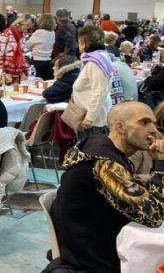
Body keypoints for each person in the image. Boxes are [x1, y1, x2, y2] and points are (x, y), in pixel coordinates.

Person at [49, 102, 164, 273]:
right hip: (94, 259)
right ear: (120, 127)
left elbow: (129, 183)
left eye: (154, 123)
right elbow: (154, 216)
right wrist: (161, 165)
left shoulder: (99, 147)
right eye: (144, 122)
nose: (153, 130)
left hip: (91, 244)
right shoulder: (104, 164)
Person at [72, 25, 123, 138]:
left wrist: (89, 118)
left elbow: (99, 92)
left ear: (85, 43)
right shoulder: (99, 57)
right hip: (92, 115)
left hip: (94, 121)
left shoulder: (95, 63)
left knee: (90, 152)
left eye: (79, 42)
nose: (78, 46)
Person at [0, 16, 29, 83]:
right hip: (6, 67)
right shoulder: (7, 32)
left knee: (14, 90)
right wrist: (0, 66)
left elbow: (22, 52)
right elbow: (0, 50)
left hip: (17, 68)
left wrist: (25, 67)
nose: (28, 27)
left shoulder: (22, 35)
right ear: (19, 23)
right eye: (27, 25)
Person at [26, 13, 56, 80]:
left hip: (37, 61)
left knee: (35, 83)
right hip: (48, 61)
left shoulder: (39, 32)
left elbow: (28, 45)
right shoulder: (53, 33)